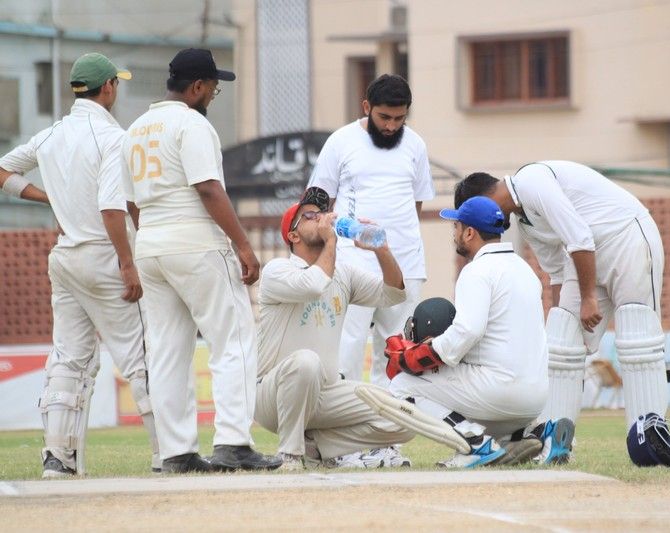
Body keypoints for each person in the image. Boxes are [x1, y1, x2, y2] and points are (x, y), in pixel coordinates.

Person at [120, 48, 280, 473]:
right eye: (212, 88)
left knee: (167, 350)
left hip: (151, 243)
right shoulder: (191, 124)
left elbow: (131, 202)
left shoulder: (134, 130)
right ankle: (233, 442)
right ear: (196, 87)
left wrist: (153, 238)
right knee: (234, 339)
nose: (212, 95)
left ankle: (176, 452)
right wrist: (243, 245)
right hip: (195, 241)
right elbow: (208, 187)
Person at [0, 52, 160, 477]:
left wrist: (48, 198)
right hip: (104, 255)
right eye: (117, 83)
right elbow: (112, 207)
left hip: (66, 257)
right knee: (142, 356)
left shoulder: (51, 135)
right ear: (107, 87)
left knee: (69, 359)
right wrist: (128, 263)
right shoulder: (113, 138)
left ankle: (59, 458)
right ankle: (168, 454)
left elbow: (2, 170)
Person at [455, 162, 668, 446]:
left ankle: (650, 442)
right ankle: (555, 443)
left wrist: (588, 298)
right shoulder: (525, 223)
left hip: (626, 236)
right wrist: (558, 326)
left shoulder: (531, 181)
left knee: (637, 338)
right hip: (586, 258)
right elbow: (557, 272)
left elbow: (579, 237)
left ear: (482, 201)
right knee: (560, 346)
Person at [374, 196, 574, 467]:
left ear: (469, 233)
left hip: (499, 390)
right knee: (472, 394)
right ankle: (535, 433)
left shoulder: (477, 270)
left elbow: (468, 331)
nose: (454, 233)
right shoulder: (525, 269)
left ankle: (474, 444)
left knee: (402, 385)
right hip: (535, 398)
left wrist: (422, 354)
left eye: (456, 227)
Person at [254, 187, 415, 471]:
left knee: (403, 416)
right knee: (306, 362)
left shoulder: (343, 274)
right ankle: (290, 455)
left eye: (323, 213)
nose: (321, 218)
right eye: (310, 216)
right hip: (272, 396)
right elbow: (314, 285)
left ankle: (317, 446)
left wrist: (381, 249)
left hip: (325, 394)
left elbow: (394, 294)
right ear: (293, 236)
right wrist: (331, 241)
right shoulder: (277, 270)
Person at [307, 74, 435, 386]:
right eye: (384, 117)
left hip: (405, 263)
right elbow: (317, 204)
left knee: (397, 352)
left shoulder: (416, 144)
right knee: (346, 348)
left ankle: (388, 418)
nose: (391, 126)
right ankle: (342, 413)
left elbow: (416, 202)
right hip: (352, 262)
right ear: (366, 107)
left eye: (399, 118)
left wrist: (401, 242)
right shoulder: (341, 141)